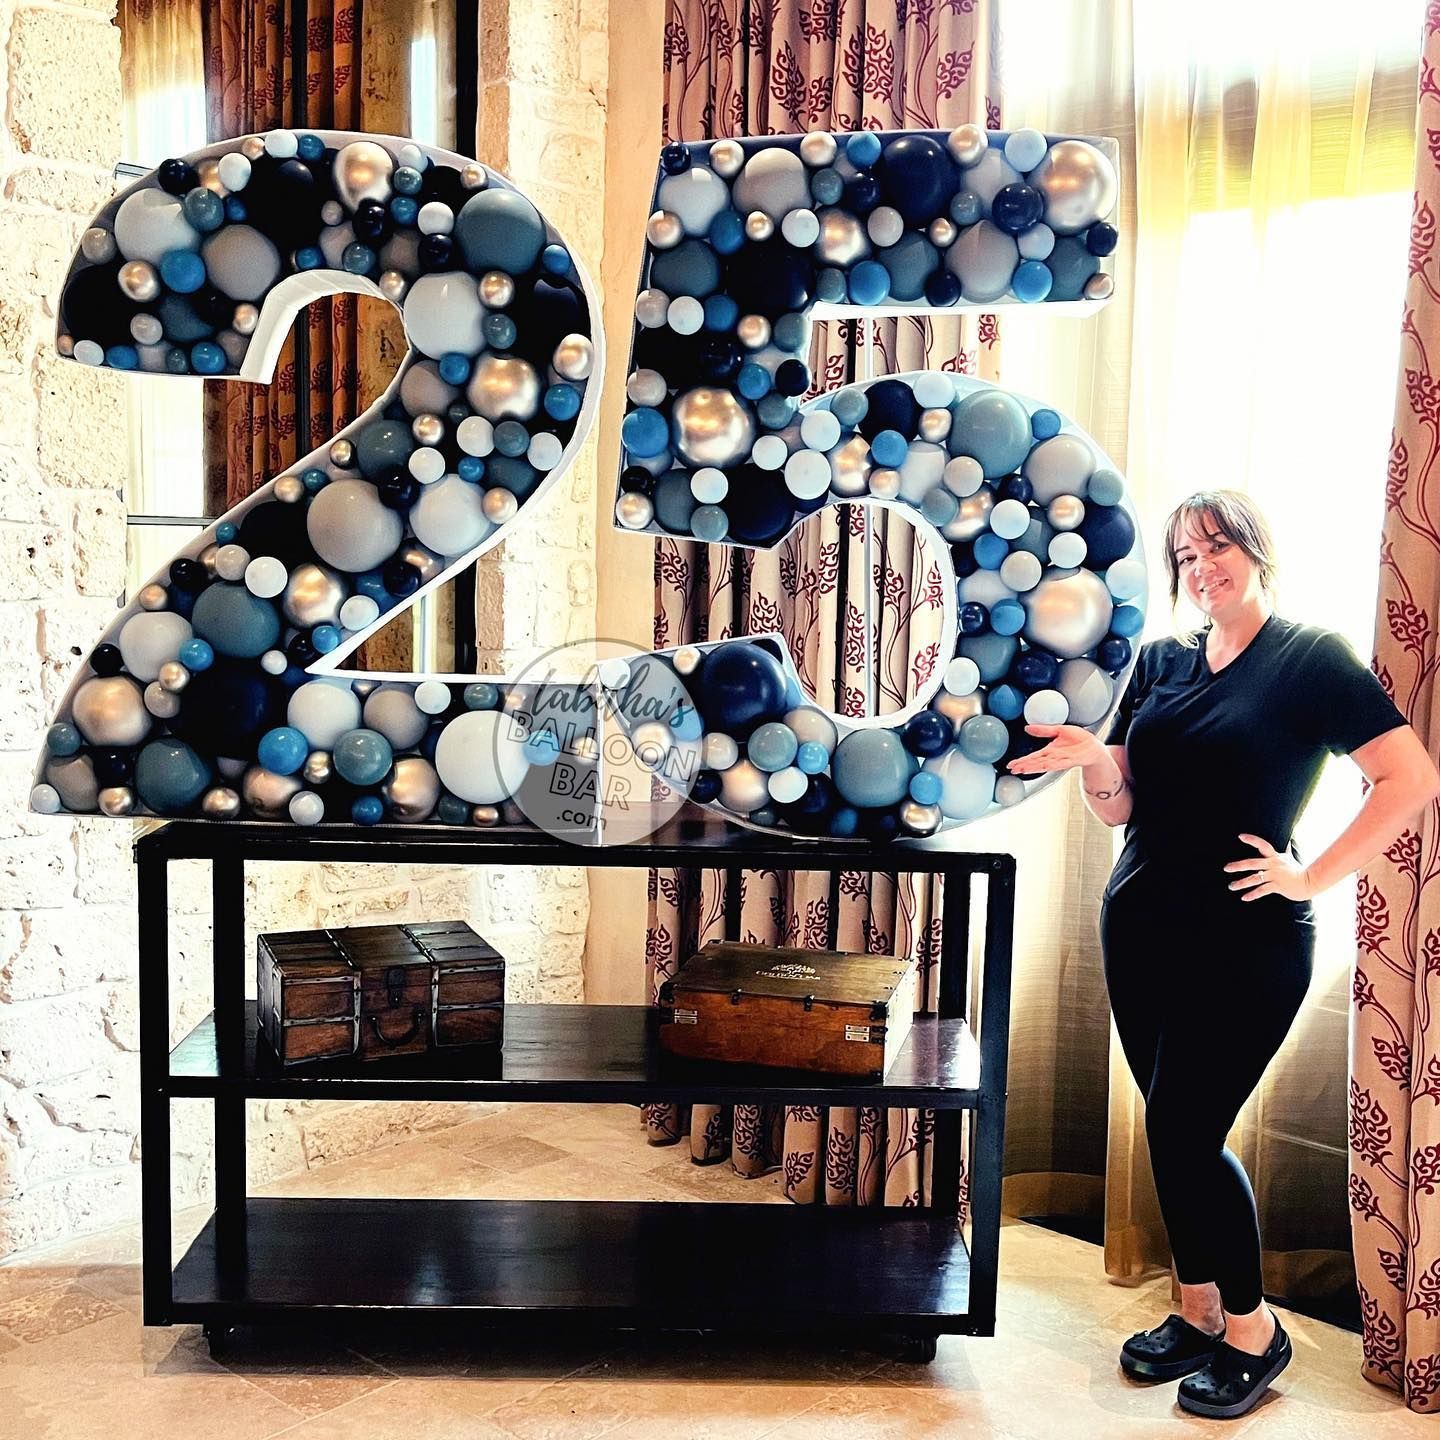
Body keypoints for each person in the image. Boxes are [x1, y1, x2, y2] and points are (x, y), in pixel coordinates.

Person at [1007, 489, 1440, 1420]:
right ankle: (1197, 1311)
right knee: (1169, 1125)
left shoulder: (1309, 660)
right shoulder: (1160, 663)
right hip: (1141, 926)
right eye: (1186, 557)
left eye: (1217, 546)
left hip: (1248, 940)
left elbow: (1410, 778)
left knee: (1184, 1132)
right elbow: (1122, 806)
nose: (1203, 567)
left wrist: (1312, 875)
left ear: (1255, 550)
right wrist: (1093, 759)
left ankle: (1254, 1331)